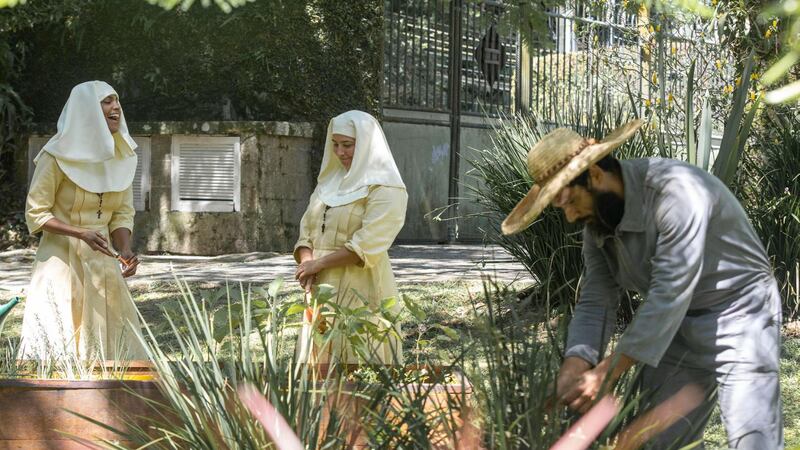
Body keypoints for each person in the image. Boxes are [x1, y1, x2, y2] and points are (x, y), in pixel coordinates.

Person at [501, 120, 783, 449]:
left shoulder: (676, 192)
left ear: (594, 174)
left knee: (753, 439)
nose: (570, 216)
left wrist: (606, 374)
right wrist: (575, 364)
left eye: (568, 199)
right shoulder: (596, 227)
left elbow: (669, 294)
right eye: (559, 206)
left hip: (742, 314)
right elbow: (596, 299)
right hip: (676, 330)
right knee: (657, 440)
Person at [19, 80, 145, 361]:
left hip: (103, 264)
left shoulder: (122, 156)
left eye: (117, 101)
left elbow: (122, 212)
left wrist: (124, 249)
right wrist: (80, 233)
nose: (116, 107)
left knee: (114, 354)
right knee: (59, 348)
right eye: (107, 101)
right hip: (60, 263)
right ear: (86, 109)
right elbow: (37, 213)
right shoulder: (55, 156)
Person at [294, 110, 408, 365]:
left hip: (361, 283)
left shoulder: (385, 187)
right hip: (320, 284)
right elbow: (307, 231)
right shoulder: (329, 183)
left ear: (367, 144)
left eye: (348, 145)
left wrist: (318, 264)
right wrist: (307, 264)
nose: (340, 152)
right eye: (335, 144)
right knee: (318, 365)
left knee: (362, 356)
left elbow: (367, 245)